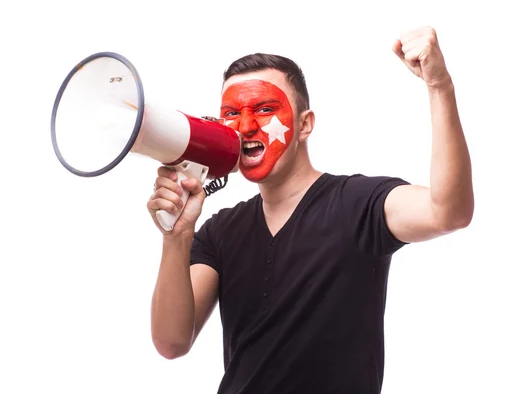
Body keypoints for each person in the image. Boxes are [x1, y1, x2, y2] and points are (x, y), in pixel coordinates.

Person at [146, 26, 474, 393]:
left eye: (265, 109)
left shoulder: (359, 204)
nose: (247, 126)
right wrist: (176, 237)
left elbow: (449, 212)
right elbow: (172, 343)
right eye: (232, 113)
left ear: (305, 125)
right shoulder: (220, 231)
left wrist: (439, 87)